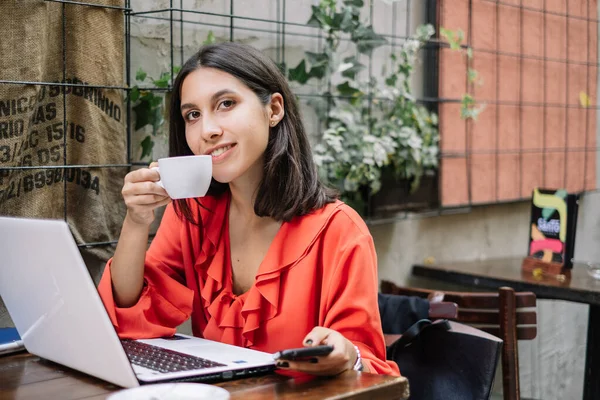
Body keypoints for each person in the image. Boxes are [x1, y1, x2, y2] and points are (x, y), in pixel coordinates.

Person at [98, 42, 399, 377]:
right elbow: (130, 311)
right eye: (192, 115)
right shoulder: (193, 214)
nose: (207, 130)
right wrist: (137, 221)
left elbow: (369, 368)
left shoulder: (340, 232)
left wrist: (348, 355)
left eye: (226, 104)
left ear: (273, 109)